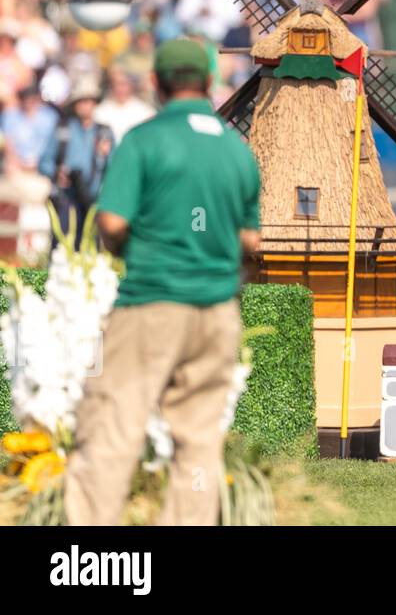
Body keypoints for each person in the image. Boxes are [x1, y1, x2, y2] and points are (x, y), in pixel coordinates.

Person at [64, 38, 261, 526]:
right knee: (198, 441)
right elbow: (251, 242)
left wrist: (129, 248)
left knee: (112, 430)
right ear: (210, 82)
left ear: (156, 82)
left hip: (151, 305)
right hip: (217, 313)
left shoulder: (144, 140)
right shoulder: (238, 151)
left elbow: (110, 224)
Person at [39, 79, 114, 246]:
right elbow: (44, 162)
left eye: (88, 101)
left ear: (95, 104)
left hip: (94, 199)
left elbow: (114, 169)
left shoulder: (104, 133)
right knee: (62, 246)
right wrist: (56, 173)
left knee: (92, 247)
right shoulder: (62, 129)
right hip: (67, 198)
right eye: (80, 101)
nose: (84, 106)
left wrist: (105, 155)